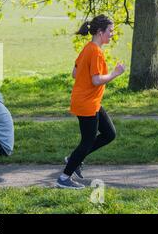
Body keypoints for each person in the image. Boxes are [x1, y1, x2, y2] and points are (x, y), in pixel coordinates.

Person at [56, 14, 125, 189]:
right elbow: (95, 80)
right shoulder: (94, 51)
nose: (112, 34)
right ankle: (64, 178)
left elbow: (74, 73)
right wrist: (115, 73)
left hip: (90, 101)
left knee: (109, 133)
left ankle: (74, 158)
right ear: (100, 32)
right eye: (110, 31)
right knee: (87, 142)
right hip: (86, 103)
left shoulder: (88, 48)